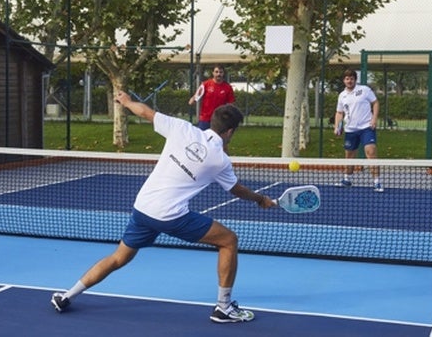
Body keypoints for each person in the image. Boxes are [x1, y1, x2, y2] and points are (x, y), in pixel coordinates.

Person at [51, 91, 276, 323]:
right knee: (229, 240)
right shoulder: (220, 160)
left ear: (212, 122)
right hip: (171, 216)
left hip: (143, 207)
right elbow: (236, 189)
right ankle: (223, 307)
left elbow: (146, 112)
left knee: (118, 258)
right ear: (230, 132)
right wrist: (261, 200)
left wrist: (127, 101)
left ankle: (67, 296)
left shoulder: (180, 128)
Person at [333, 69, 383, 192]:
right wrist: (336, 126)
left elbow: (375, 103)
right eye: (347, 78)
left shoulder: (364, 90)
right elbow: (339, 112)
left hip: (367, 127)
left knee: (371, 151)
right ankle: (347, 179)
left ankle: (377, 182)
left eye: (351, 78)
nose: (349, 81)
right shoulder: (342, 96)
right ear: (344, 81)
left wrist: (374, 119)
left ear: (355, 80)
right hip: (350, 130)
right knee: (349, 156)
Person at [188, 65, 235, 130]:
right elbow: (195, 97)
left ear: (223, 73)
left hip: (219, 119)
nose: (218, 74)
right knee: (203, 138)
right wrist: (193, 100)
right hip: (205, 119)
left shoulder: (228, 87)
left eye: (220, 72)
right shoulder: (205, 84)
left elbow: (231, 104)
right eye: (216, 72)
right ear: (213, 73)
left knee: (218, 139)